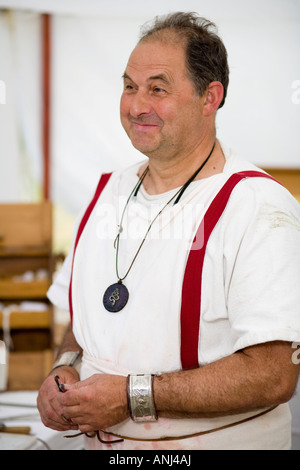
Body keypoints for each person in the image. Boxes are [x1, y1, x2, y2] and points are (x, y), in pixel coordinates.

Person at [37, 12, 300, 450]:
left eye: (158, 89)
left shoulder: (258, 208)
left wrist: (130, 397)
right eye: (129, 86)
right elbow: (84, 319)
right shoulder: (108, 192)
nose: (137, 105)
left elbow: (273, 374)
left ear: (209, 97)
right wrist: (64, 368)